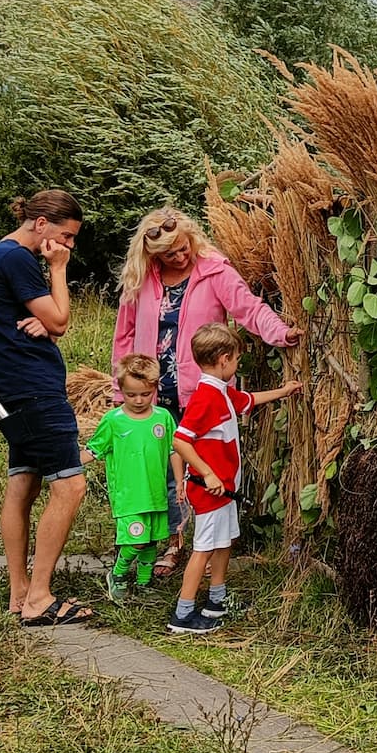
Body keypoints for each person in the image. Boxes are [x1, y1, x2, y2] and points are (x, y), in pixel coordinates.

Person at [111, 207, 300, 575]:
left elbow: (250, 310)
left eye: (183, 247)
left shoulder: (215, 271)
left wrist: (280, 333)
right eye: (169, 254)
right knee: (157, 471)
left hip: (201, 395)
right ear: (152, 255)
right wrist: (122, 393)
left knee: (204, 470)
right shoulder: (141, 279)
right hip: (148, 395)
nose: (180, 256)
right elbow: (124, 336)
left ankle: (207, 543)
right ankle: (168, 543)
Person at [0, 189, 94, 627]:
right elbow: (60, 320)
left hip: (9, 389)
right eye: (66, 236)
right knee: (71, 487)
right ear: (41, 225)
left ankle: (20, 592)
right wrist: (59, 270)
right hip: (29, 389)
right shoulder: (17, 259)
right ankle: (40, 598)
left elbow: (47, 323)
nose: (67, 246)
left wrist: (48, 323)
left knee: (24, 484)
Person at [168, 323, 299, 636]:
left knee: (224, 542)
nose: (238, 365)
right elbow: (180, 441)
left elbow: (247, 400)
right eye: (237, 360)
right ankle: (183, 613)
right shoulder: (205, 398)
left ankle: (217, 599)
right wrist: (209, 472)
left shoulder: (223, 392)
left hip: (227, 491)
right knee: (204, 548)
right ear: (224, 359)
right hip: (211, 491)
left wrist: (283, 391)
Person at [84, 353, 176, 605]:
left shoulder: (163, 418)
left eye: (145, 394)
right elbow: (93, 451)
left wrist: (181, 482)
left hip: (156, 494)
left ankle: (144, 584)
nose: (138, 400)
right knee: (135, 541)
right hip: (129, 496)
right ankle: (118, 575)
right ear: (121, 389)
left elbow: (173, 450)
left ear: (155, 389)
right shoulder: (113, 421)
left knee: (151, 542)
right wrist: (66, 465)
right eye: (131, 394)